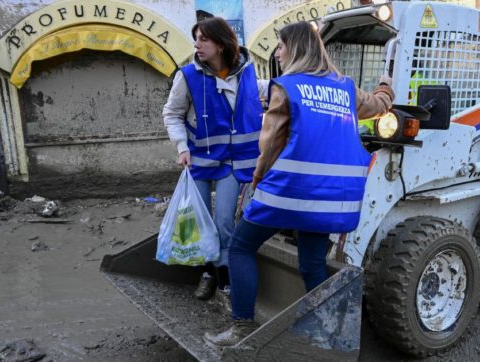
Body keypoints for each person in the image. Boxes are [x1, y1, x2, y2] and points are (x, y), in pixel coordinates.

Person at [204, 21, 394, 346]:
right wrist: (385, 88)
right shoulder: (346, 88)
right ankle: (326, 336)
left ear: (294, 48)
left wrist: (254, 184)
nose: (277, 51)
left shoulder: (287, 86)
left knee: (240, 246)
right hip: (334, 199)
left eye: (280, 45)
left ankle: (242, 329)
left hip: (288, 194)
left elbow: (271, 145)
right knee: (312, 264)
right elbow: (378, 107)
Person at [162, 17, 268, 302]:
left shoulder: (246, 73)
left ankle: (224, 275)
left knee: (224, 220)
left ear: (221, 44)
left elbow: (261, 95)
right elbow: (172, 113)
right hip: (198, 160)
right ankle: (207, 271)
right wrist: (182, 146)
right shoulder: (188, 76)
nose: (197, 45)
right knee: (199, 221)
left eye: (203, 39)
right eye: (196, 38)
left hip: (234, 162)